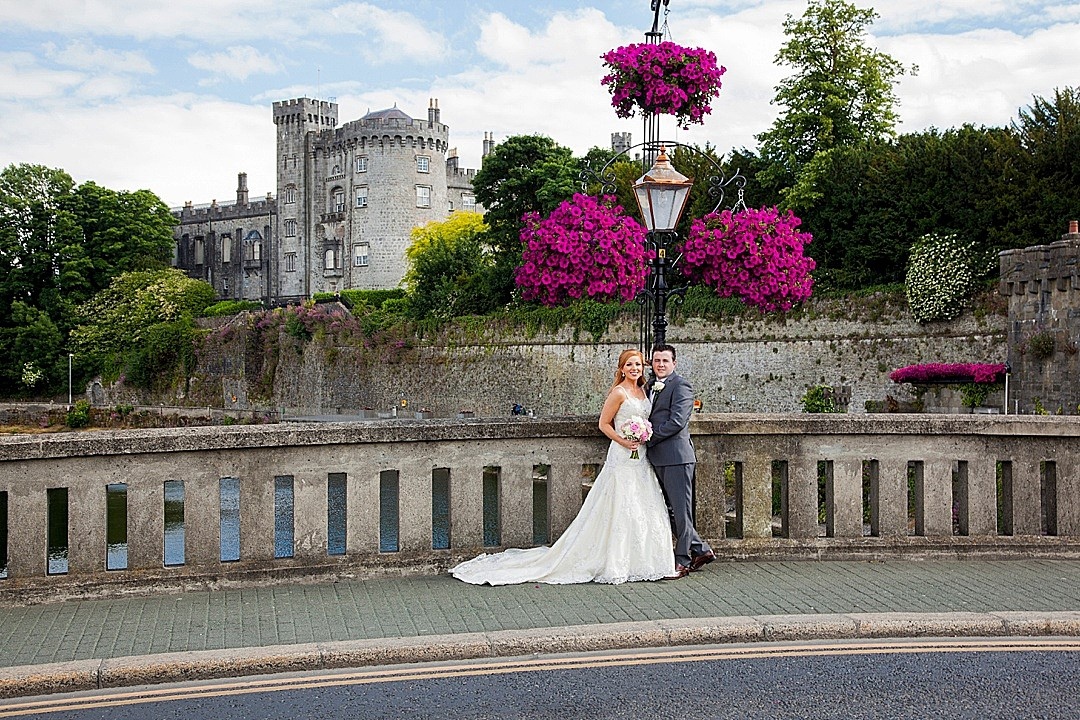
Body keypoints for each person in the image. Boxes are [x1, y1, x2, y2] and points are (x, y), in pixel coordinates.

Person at [451, 349, 676, 585]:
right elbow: (603, 424)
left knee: (643, 504)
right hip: (622, 454)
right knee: (619, 505)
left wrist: (642, 436)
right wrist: (623, 440)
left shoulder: (644, 390)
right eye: (629, 365)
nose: (634, 369)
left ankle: (644, 562)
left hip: (640, 455)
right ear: (621, 368)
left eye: (638, 365)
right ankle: (615, 563)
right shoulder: (618, 393)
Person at [645, 343, 714, 578]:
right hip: (656, 458)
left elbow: (677, 422)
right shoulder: (649, 387)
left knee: (681, 512)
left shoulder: (681, 385)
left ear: (674, 363)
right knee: (668, 512)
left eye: (665, 360)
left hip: (676, 457)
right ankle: (701, 550)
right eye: (656, 361)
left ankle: (682, 561)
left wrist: (647, 437)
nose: (660, 364)